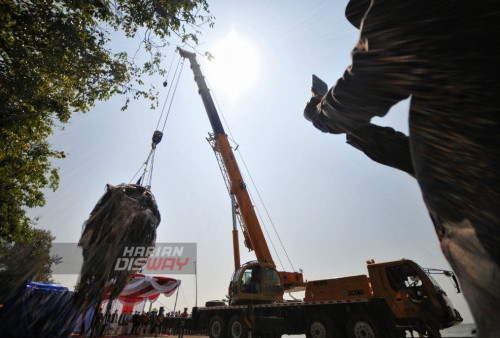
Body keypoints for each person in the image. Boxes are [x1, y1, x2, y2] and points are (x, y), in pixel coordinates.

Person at [303, 0, 500, 336]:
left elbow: (362, 87)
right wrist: (361, 133)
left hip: (479, 215)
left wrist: (319, 113)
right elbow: (414, 155)